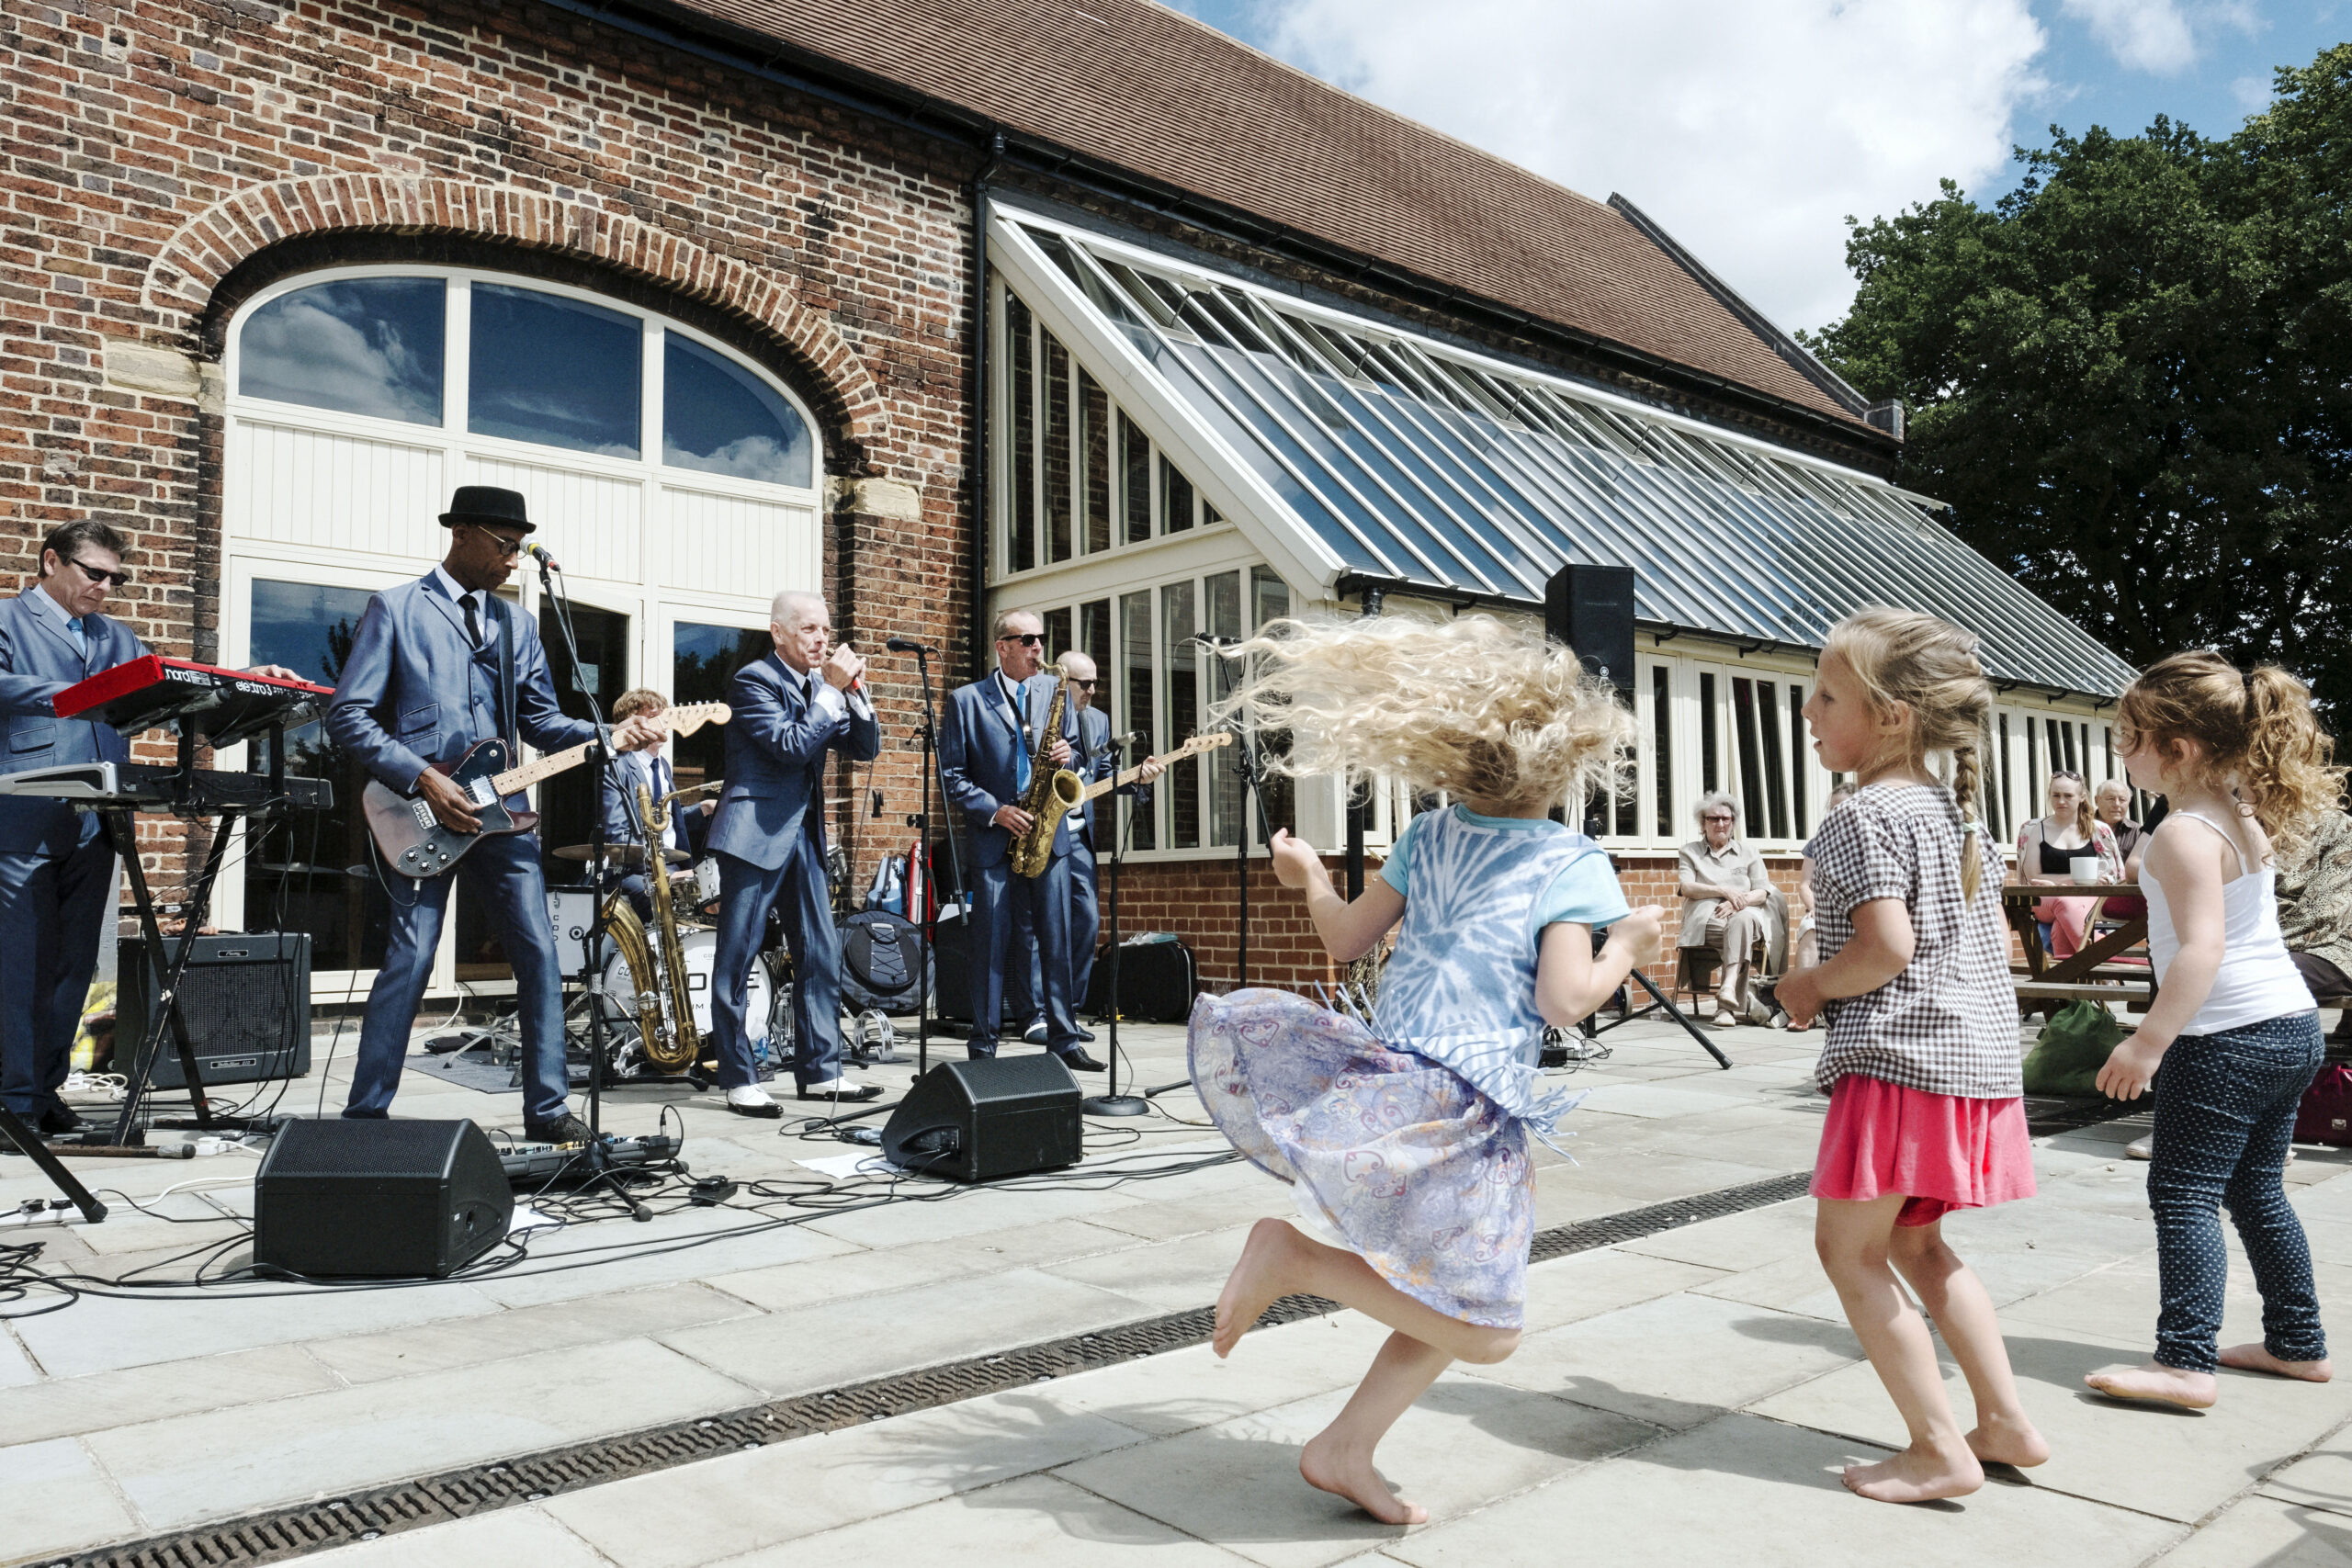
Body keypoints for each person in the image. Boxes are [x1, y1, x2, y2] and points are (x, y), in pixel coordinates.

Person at [1186, 611, 1666, 1524]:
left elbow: (1343, 939)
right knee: (1489, 1330)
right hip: (1468, 1099)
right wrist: (1629, 943)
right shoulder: (1570, 859)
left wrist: (1309, 877)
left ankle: (1346, 1446)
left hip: (1393, 1075)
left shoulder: (1432, 836)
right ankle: (1294, 1259)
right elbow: (1565, 1001)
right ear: (1566, 758)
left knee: (1450, 1289)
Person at [1776, 606, 2047, 1504]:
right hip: (1971, 1062)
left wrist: (1809, 985)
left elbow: (1885, 949)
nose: (1807, 711)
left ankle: (1936, 1448)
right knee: (1919, 1245)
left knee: (1847, 1253)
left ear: (1891, 715)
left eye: (1825, 695)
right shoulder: (1949, 808)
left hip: (1901, 1065)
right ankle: (2003, 1420)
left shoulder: (1859, 817)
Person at [326, 487, 661, 1141]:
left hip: (505, 816)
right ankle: (364, 1114)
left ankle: (548, 1112)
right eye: (503, 545)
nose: (512, 560)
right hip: (422, 813)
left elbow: (540, 719)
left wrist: (610, 734)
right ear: (461, 535)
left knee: (539, 954)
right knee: (412, 958)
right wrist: (422, 778)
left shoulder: (517, 625)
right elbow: (347, 715)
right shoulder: (396, 609)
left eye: (518, 547)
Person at [2084, 651, 2344, 1409]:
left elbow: (2202, 949)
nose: (2119, 750)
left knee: (2184, 1193)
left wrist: (2147, 1042)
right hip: (2292, 1024)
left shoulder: (2179, 834)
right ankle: (2298, 1344)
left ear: (2179, 748)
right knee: (2258, 1190)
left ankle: (2185, 1362)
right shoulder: (2238, 813)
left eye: (2129, 736)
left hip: (2226, 1035)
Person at [0, 521, 300, 1134]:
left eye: (117, 577)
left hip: (98, 829)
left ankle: (45, 1095)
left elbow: (174, 692)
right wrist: (78, 692)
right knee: (19, 970)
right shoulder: (7, 621)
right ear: (51, 561)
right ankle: (14, 1100)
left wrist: (251, 681)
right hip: (21, 825)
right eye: (94, 573)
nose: (106, 587)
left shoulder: (116, 635)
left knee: (73, 971)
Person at [704, 592, 882, 1111]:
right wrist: (830, 693)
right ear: (778, 633)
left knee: (820, 952)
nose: (822, 640)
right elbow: (790, 747)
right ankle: (739, 1078)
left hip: (804, 835)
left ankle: (822, 1072)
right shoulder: (753, 681)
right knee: (737, 958)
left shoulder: (820, 687)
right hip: (754, 834)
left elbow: (864, 747)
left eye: (826, 630)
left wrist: (857, 695)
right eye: (808, 630)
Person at [939, 609, 1100, 1070]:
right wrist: (995, 811)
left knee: (1057, 938)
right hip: (996, 840)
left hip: (1048, 838)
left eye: (1041, 639)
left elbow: (1071, 756)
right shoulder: (965, 701)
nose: (1037, 648)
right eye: (1026, 639)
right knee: (991, 943)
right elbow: (952, 777)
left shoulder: (1054, 691)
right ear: (1001, 647)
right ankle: (984, 1044)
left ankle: (1065, 1040)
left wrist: (1068, 753)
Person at [598, 688, 713, 919]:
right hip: (637, 873)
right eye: (654, 716)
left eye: (664, 715)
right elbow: (618, 835)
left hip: (673, 866)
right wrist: (663, 874)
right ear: (632, 724)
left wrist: (701, 809)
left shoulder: (662, 766)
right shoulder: (617, 768)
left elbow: (662, 819)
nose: (663, 722)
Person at [1676, 792, 1787, 1027]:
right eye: (1713, 818)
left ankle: (1726, 997)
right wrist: (1725, 891)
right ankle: (1727, 1004)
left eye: (1726, 819)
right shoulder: (1690, 852)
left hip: (1746, 915)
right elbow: (1687, 887)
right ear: (1702, 823)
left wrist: (1740, 901)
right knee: (1739, 933)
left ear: (1733, 823)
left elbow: (1763, 891)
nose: (1720, 824)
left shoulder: (1749, 852)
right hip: (1708, 921)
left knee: (1742, 921)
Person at [2011, 770, 2120, 961]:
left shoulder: (2099, 830)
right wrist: (2077, 881)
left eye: (2068, 795)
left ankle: (2069, 982)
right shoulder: (2033, 829)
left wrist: (2060, 883)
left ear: (2081, 797)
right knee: (2065, 901)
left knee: (2061, 928)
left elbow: (2115, 875)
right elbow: (2032, 878)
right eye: (2056, 795)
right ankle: (2103, 965)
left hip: (2089, 902)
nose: (2061, 801)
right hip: (2045, 900)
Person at [1785, 781, 1859, 1025]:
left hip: (1856, 910)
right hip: (1822, 907)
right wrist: (1816, 908)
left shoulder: (1867, 841)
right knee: (1810, 930)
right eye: (1833, 809)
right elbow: (1805, 885)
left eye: (1843, 809)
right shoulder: (1818, 843)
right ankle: (1805, 1010)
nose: (1836, 815)